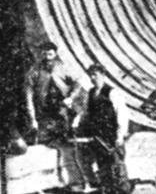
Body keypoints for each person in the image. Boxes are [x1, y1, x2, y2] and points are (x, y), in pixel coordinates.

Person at [77, 64, 131, 194]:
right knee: (103, 166)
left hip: (111, 135)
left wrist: (120, 135)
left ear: (103, 75)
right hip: (98, 136)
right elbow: (86, 113)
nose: (92, 77)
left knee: (117, 166)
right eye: (90, 75)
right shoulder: (91, 93)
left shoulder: (111, 92)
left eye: (95, 74)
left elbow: (122, 114)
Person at [24, 42, 82, 145]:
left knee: (66, 137)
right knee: (43, 139)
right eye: (44, 54)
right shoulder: (34, 71)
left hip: (62, 108)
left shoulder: (63, 68)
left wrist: (71, 97)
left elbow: (77, 84)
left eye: (50, 54)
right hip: (44, 110)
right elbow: (28, 95)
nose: (47, 58)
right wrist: (32, 117)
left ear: (55, 54)